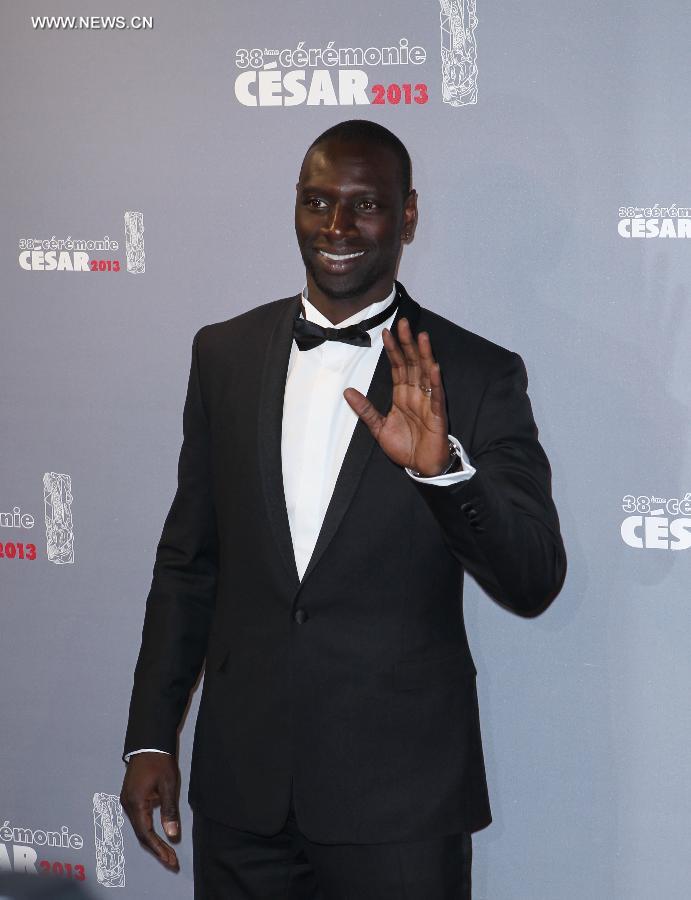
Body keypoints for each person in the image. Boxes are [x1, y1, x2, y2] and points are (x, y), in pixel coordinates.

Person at [121, 119, 566, 899]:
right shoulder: (222, 354)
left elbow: (531, 580)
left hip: (399, 803)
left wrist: (445, 474)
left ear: (409, 216)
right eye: (317, 202)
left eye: (365, 206)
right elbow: (188, 564)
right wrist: (150, 739)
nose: (336, 228)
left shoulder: (476, 372)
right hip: (243, 796)